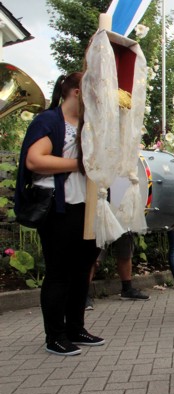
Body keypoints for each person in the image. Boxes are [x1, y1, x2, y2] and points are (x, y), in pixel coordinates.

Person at [15, 72, 103, 356]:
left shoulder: (88, 124)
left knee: (82, 270)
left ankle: (76, 328)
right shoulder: (49, 120)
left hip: (85, 205)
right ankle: (55, 336)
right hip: (58, 207)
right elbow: (34, 160)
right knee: (59, 272)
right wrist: (79, 164)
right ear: (77, 92)